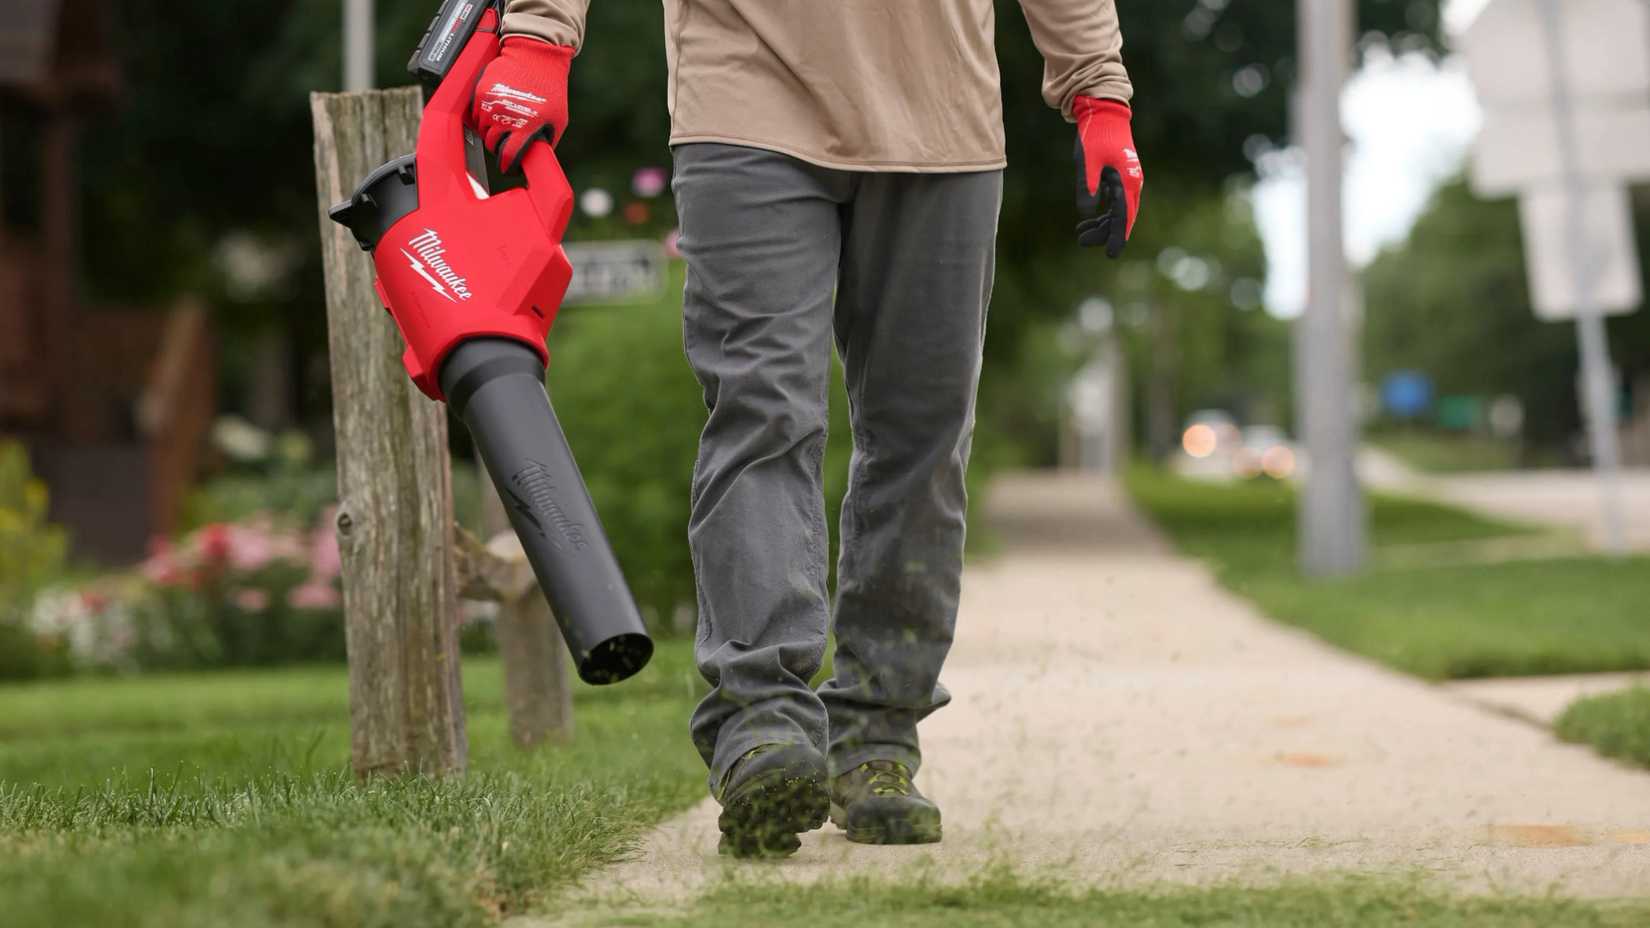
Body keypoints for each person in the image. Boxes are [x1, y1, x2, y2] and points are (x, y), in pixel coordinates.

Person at [476, 0, 1142, 858]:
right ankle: (760, 722)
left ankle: (876, 737)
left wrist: (1099, 95)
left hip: (943, 123)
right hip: (744, 100)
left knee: (922, 439)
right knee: (764, 411)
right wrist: (538, 33)